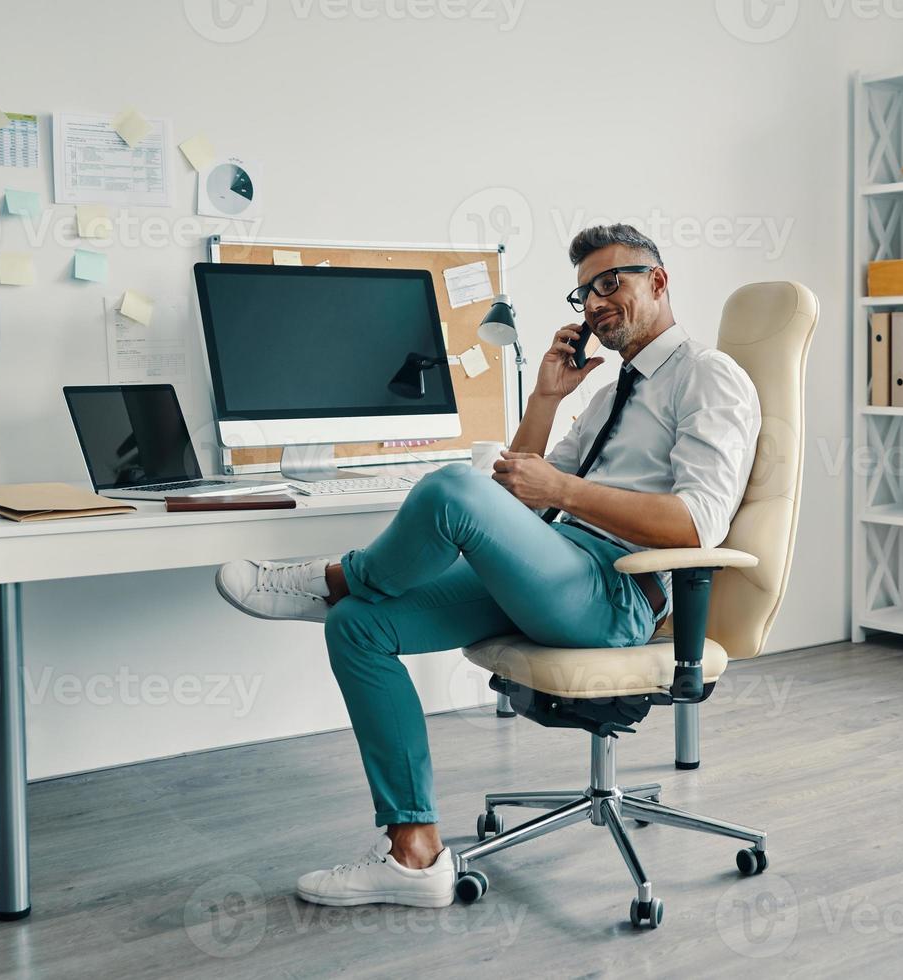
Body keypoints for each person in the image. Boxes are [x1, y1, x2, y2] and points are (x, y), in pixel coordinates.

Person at [214, 223, 761, 908]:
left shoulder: (711, 377)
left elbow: (696, 523)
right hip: (552, 570)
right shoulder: (606, 394)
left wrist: (562, 492)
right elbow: (517, 497)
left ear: (658, 279)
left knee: (448, 488)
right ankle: (413, 856)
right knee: (357, 627)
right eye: (584, 292)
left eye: (609, 282)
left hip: (613, 594)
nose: (594, 303)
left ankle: (334, 577)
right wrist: (545, 402)